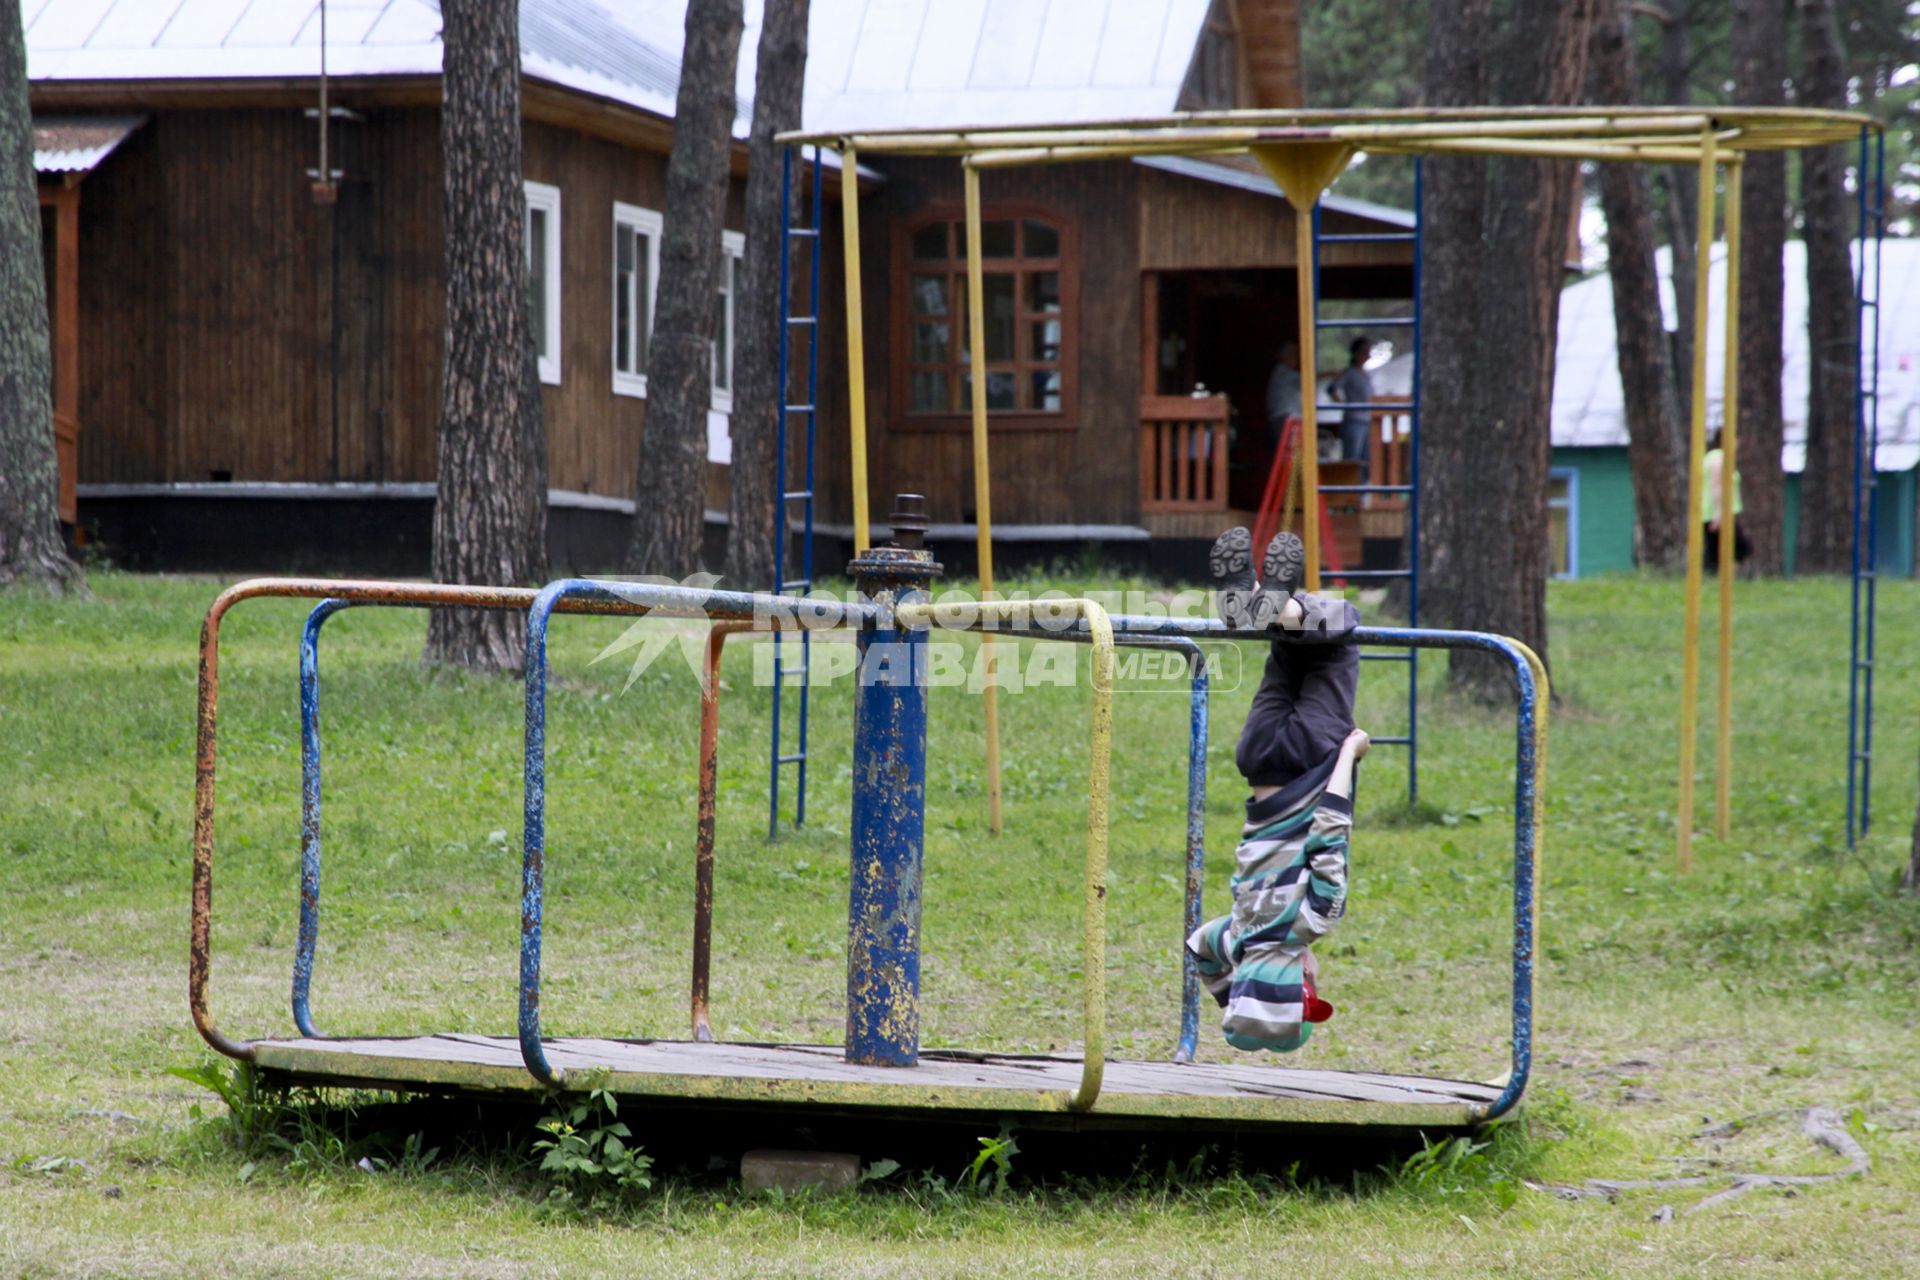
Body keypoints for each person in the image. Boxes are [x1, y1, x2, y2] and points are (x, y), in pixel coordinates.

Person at [1195, 527, 1369, 1053]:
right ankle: (1266, 606)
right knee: (1291, 651)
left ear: (1305, 981)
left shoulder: (1312, 920)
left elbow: (1329, 830)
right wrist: (1234, 997)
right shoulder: (1237, 935)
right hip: (1258, 758)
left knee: (1341, 639)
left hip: (1310, 761)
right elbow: (1199, 952)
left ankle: (1281, 606)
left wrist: (1348, 754)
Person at [1702, 429, 1750, 571]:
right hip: (1718, 511)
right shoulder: (1720, 458)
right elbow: (1716, 485)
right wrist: (1719, 513)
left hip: (1711, 511)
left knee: (1718, 550)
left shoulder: (1712, 457)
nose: (1737, 442)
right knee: (1740, 548)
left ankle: (1723, 578)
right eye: (1734, 438)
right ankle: (1724, 579)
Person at [1327, 336, 1375, 464]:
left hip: (1367, 420)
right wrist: (1344, 404)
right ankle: (1350, 483)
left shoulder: (1366, 374)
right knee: (1352, 457)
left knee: (1366, 458)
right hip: (1353, 420)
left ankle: (1364, 483)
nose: (1367, 355)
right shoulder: (1349, 373)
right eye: (1364, 351)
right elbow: (1332, 388)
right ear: (1356, 353)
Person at [1265, 338, 1302, 446]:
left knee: (1294, 453)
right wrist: (1331, 373)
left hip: (1285, 419)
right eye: (1294, 355)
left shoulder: (1284, 373)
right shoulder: (1283, 373)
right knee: (1294, 453)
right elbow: (1308, 379)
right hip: (1286, 420)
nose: (1296, 359)